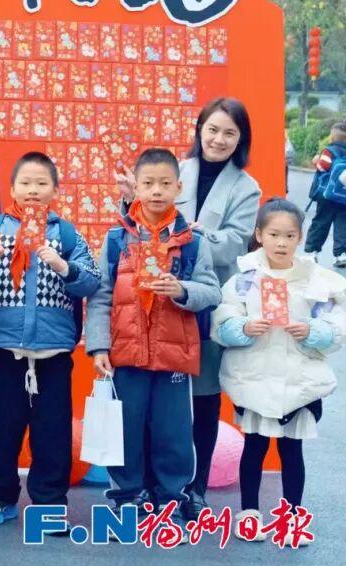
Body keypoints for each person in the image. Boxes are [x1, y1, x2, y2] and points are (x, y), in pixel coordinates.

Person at [118, 97, 260, 519]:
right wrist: (128, 202)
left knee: (204, 396)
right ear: (200, 130)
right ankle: (150, 486)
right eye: (212, 129)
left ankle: (194, 490)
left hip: (207, 299)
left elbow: (236, 243)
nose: (219, 139)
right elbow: (141, 224)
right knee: (154, 398)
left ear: (241, 139)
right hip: (156, 301)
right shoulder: (176, 171)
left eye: (230, 133)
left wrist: (196, 236)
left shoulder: (246, 187)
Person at [85, 148, 221, 537]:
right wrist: (99, 346)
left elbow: (212, 291)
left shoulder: (192, 241)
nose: (157, 191)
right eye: (148, 183)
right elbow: (100, 296)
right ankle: (129, 496)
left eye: (165, 183)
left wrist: (182, 290)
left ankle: (171, 498)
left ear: (179, 187)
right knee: (126, 429)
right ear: (136, 188)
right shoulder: (117, 239)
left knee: (173, 433)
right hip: (126, 354)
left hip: (174, 355)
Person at [0, 152, 101, 530]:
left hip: (53, 350)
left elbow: (91, 281)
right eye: (25, 183)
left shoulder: (66, 234)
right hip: (5, 348)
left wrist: (63, 266)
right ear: (12, 188)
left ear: (55, 190)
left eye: (42, 183)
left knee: (52, 433)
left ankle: (49, 503)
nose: (33, 190)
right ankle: (0, 497)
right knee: (2, 428)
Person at [212, 198, 346, 542]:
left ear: (300, 237)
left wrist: (313, 331)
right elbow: (222, 319)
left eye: (289, 235)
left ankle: (292, 519)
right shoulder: (244, 278)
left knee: (292, 451)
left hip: (297, 379)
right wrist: (243, 327)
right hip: (254, 377)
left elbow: (336, 322)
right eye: (274, 234)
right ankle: (249, 515)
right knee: (254, 448)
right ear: (259, 235)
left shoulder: (318, 280)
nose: (282, 242)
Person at [305, 121, 346, 268]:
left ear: (332, 137)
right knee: (342, 225)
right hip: (343, 196)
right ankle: (341, 255)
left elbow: (323, 167)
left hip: (326, 195)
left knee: (320, 222)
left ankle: (312, 253)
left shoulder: (329, 151)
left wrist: (316, 161)